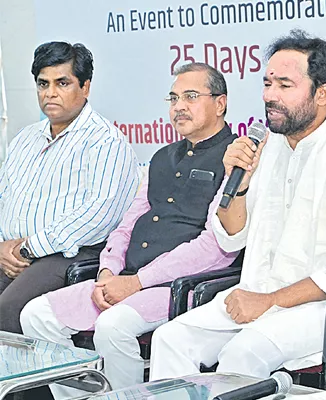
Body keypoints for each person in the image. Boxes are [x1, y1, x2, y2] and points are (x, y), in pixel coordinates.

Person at [148, 30, 326, 380]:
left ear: (322, 93)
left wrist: (269, 301)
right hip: (260, 294)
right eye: (267, 84)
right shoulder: (264, 147)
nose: (270, 97)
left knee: (242, 353)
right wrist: (240, 183)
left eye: (284, 86)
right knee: (170, 338)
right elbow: (232, 236)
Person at [20, 62, 239, 397]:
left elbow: (214, 247)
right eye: (173, 98)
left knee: (112, 325)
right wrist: (108, 271)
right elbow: (127, 225)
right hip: (127, 279)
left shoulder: (235, 158)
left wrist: (136, 282)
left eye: (190, 96)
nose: (178, 106)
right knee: (37, 315)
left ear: (220, 103)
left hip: (183, 285)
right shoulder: (162, 157)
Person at [0, 41, 139, 334]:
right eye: (43, 83)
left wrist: (27, 249)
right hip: (13, 251)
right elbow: (3, 196)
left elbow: (98, 216)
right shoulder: (25, 139)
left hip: (69, 254)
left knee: (9, 309)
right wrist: (3, 247)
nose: (50, 93)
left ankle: (29, 383)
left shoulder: (104, 140)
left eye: (62, 83)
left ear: (85, 87)